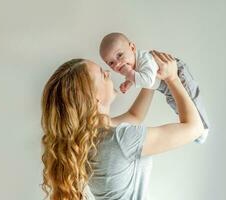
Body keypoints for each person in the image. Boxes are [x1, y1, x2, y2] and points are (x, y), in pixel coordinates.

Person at [41, 51, 205, 200]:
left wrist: (149, 78)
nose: (108, 72)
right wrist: (172, 78)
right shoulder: (120, 139)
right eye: (103, 75)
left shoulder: (91, 136)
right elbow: (195, 128)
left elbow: (135, 116)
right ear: (94, 97)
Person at [99, 32, 209, 144]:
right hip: (166, 85)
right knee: (177, 104)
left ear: (132, 47)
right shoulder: (133, 64)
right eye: (111, 63)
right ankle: (197, 132)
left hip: (179, 74)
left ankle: (203, 127)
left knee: (192, 100)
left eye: (119, 55)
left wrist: (130, 75)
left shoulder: (144, 59)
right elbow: (141, 77)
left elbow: (147, 80)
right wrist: (130, 81)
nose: (118, 64)